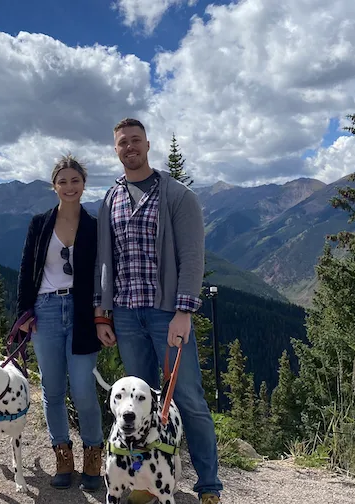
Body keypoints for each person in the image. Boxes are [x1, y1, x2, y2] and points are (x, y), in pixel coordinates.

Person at [93, 118, 223, 504]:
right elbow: (105, 259)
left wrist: (184, 311)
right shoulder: (110, 199)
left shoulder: (177, 196)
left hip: (168, 313)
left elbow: (192, 257)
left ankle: (209, 485)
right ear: (115, 149)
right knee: (137, 406)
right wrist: (103, 312)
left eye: (135, 140)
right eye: (122, 143)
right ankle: (145, 482)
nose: (129, 147)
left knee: (188, 399)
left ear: (148, 145)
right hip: (128, 317)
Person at [17, 154, 103, 492]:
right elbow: (26, 269)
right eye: (63, 181)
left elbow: (103, 274)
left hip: (82, 313)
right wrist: (23, 314)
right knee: (53, 390)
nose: (69, 187)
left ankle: (93, 455)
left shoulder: (95, 226)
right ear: (54, 186)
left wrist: (102, 316)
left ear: (84, 184)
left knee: (82, 389)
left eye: (75, 180)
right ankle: (63, 456)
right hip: (46, 310)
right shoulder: (39, 224)